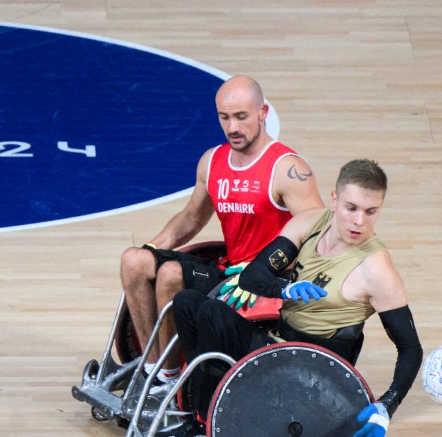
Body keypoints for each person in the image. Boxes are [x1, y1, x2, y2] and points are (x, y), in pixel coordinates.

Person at [171, 158, 423, 437]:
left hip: (309, 372)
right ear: (334, 200)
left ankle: (207, 430)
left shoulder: (377, 269)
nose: (359, 222)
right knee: (187, 303)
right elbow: (253, 276)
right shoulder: (311, 222)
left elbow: (410, 348)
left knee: (212, 314)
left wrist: (387, 407)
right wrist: (285, 287)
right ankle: (204, 410)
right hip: (275, 344)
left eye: (371, 212)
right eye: (351, 208)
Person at [119, 74, 324, 386]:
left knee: (171, 274)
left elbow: (317, 232)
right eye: (224, 118)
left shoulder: (287, 169)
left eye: (241, 117)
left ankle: (172, 381)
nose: (233, 128)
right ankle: (153, 372)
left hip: (264, 283)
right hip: (226, 273)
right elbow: (191, 217)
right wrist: (151, 249)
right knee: (133, 261)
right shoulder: (212, 161)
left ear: (263, 113)